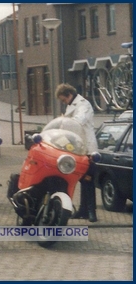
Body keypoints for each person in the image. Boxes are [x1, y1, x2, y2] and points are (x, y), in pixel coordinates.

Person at [56, 83, 99, 222]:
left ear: (69, 95)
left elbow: (78, 121)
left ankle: (92, 212)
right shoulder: (72, 105)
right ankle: (83, 210)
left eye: (64, 100)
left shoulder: (83, 105)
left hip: (87, 147)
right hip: (77, 147)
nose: (64, 102)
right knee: (80, 179)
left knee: (88, 179)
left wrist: (63, 122)